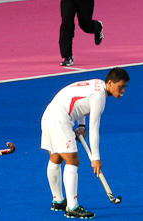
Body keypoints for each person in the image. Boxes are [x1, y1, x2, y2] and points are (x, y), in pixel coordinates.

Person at [40, 67, 129, 219]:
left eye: (124, 87)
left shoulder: (96, 84)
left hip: (49, 115)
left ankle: (58, 200)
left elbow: (80, 103)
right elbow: (94, 130)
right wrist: (95, 158)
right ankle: (72, 207)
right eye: (121, 87)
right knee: (72, 160)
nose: (122, 91)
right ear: (110, 83)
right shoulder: (99, 98)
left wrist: (81, 126)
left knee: (56, 157)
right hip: (60, 119)